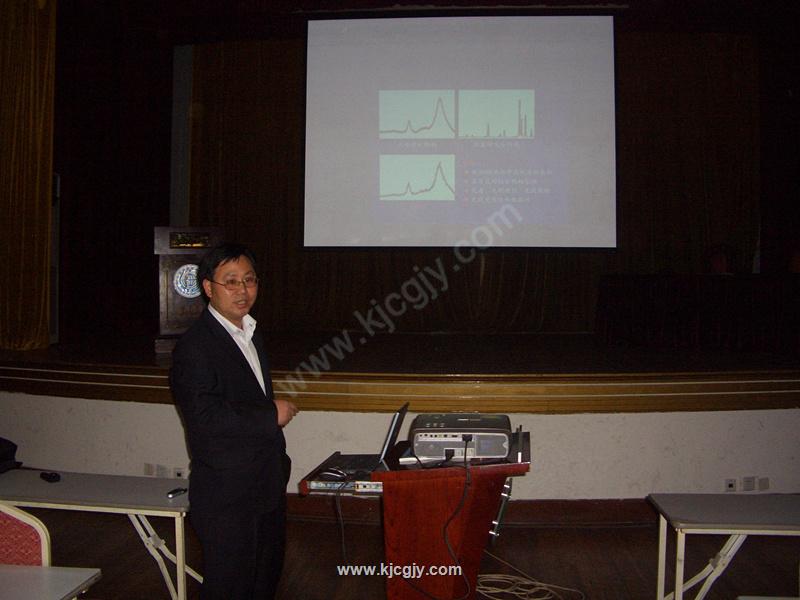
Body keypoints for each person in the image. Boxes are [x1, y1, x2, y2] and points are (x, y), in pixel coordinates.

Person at [170, 243, 298, 600]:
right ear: (208, 288)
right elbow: (204, 417)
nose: (242, 290)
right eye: (231, 281)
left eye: (249, 280)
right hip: (227, 494)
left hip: (265, 485)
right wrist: (270, 415)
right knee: (230, 588)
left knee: (264, 583)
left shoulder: (250, 332)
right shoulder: (195, 346)